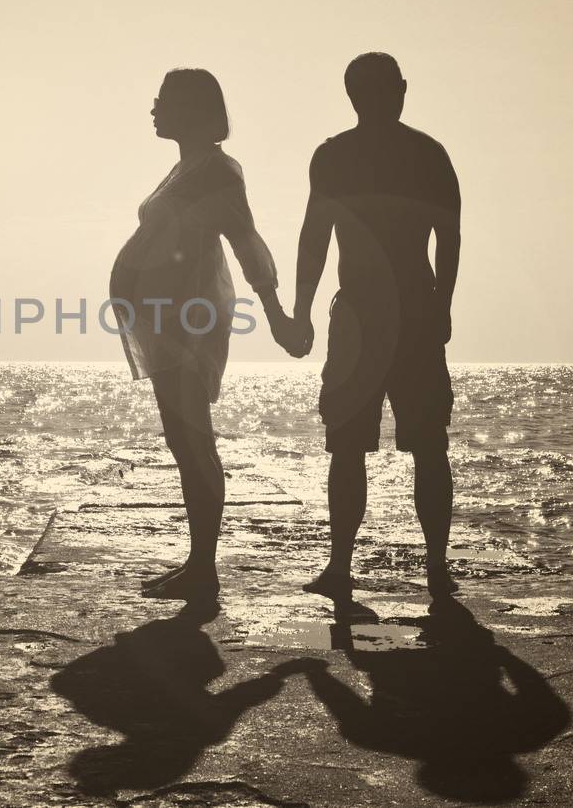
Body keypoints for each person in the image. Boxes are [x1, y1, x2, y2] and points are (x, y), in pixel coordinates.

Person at [281, 52, 461, 598]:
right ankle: (417, 567)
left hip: (372, 313)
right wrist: (442, 304)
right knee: (402, 444)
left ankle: (359, 567)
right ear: (400, 89)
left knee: (368, 445)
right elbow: (447, 239)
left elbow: (315, 237)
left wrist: (302, 309)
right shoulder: (420, 154)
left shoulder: (345, 156)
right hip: (388, 312)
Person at [109, 68, 291, 600]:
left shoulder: (215, 170)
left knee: (193, 437)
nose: (153, 108)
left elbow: (246, 241)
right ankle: (197, 562)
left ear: (191, 108)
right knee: (182, 438)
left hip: (189, 320)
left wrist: (275, 312)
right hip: (166, 319)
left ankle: (204, 569)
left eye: (163, 100)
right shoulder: (186, 166)